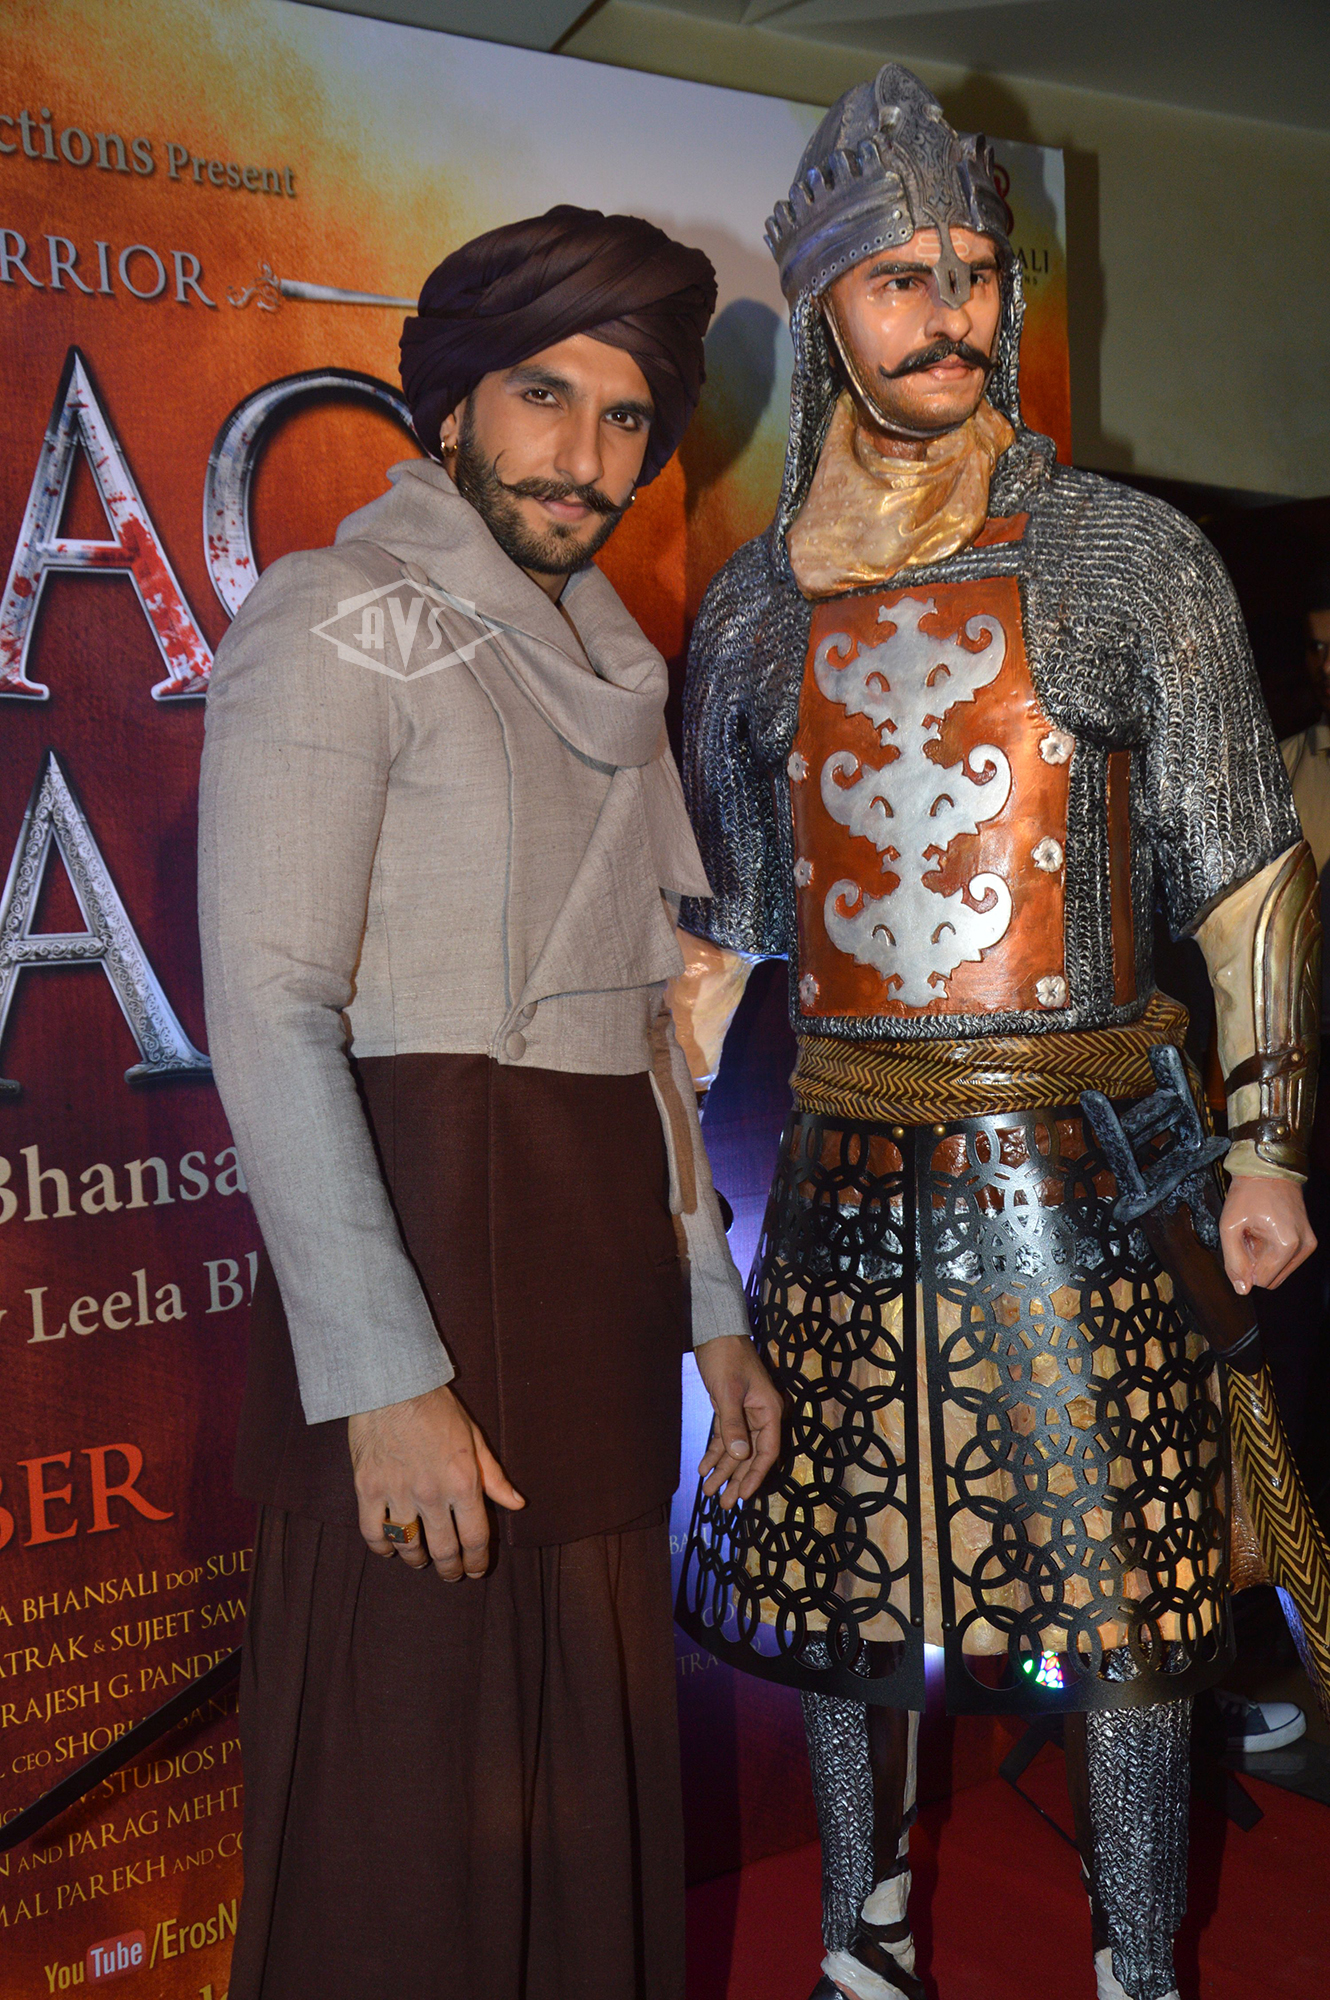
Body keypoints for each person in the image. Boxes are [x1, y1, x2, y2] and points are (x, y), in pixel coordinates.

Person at [669, 68, 1319, 2000]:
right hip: (844, 1170)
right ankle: (860, 1950)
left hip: (1090, 1166)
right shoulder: (748, 615)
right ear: (826, 314)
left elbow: (1248, 881)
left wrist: (1268, 1144)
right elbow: (719, 938)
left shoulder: (1127, 558)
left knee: (1129, 1609)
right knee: (848, 1606)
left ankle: (1135, 1969)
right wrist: (655, 1198)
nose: (944, 313)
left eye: (970, 273)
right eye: (899, 280)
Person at [197, 203, 781, 2000]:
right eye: (543, 396)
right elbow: (268, 1009)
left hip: (591, 1308)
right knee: (405, 1848)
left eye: (625, 417)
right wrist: (384, 1383)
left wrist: (713, 1314)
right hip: (425, 1279)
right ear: (449, 407)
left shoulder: (616, 667)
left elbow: (647, 1037)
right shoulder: (337, 616)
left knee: (580, 1824)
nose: (583, 456)